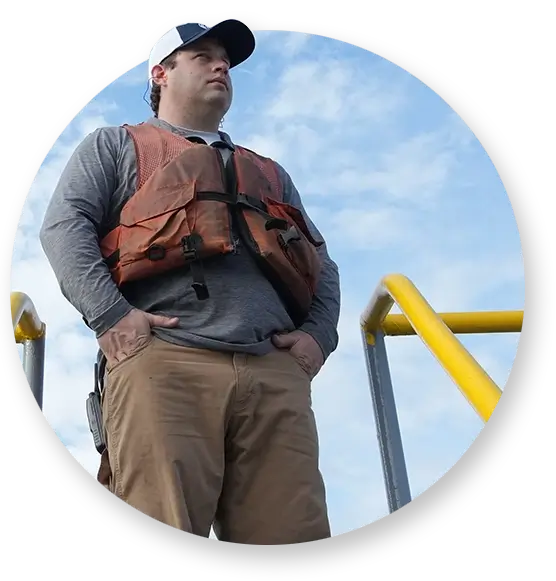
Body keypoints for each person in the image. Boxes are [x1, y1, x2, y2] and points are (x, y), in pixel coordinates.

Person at [39, 19, 341, 545]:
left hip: (273, 374)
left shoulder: (268, 172)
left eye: (225, 59)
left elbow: (322, 263)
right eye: (202, 56)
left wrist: (319, 336)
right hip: (165, 363)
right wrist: (112, 316)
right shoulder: (115, 145)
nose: (221, 65)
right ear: (160, 73)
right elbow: (64, 228)